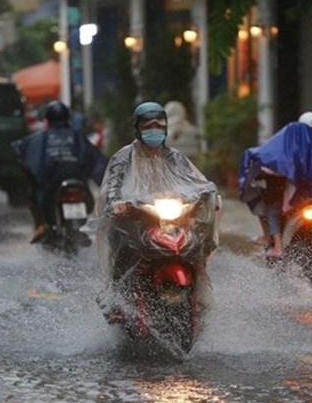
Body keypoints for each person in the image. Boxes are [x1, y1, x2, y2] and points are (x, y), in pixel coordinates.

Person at [90, 101, 218, 321]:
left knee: (195, 245)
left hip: (172, 216)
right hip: (136, 217)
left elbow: (195, 181)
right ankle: (116, 300)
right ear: (137, 128)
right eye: (147, 126)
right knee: (123, 246)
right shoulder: (124, 157)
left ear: (166, 127)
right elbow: (112, 187)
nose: (154, 130)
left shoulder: (174, 157)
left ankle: (200, 296)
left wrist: (206, 193)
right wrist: (117, 203)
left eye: (159, 125)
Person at [238, 111, 312, 258]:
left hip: (303, 199)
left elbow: (277, 164)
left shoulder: (294, 149)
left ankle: (278, 247)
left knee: (272, 209)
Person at [11, 100, 107, 243]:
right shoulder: (77, 137)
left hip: (51, 183)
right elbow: (95, 158)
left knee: (35, 193)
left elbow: (20, 149)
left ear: (47, 119)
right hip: (77, 181)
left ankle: (42, 225)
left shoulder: (40, 138)